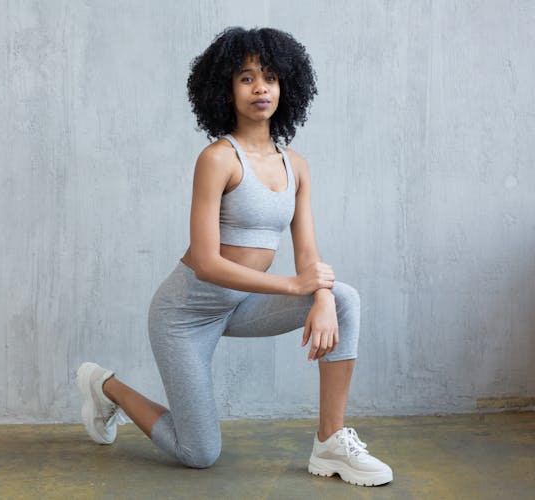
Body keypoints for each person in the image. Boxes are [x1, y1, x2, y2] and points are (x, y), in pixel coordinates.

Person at [77, 26, 393, 487]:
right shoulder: (217, 159)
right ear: (226, 89)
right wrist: (295, 287)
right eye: (246, 78)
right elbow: (206, 262)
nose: (260, 87)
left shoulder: (296, 165)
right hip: (186, 314)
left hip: (241, 306)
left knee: (343, 298)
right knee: (199, 454)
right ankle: (105, 386)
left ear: (287, 85)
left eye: (269, 77)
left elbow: (307, 253)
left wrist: (321, 296)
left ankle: (330, 441)